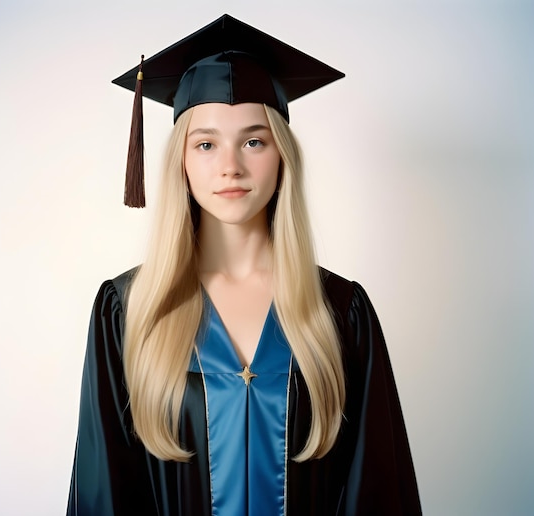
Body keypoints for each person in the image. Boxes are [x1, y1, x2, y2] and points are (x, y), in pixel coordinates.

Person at [67, 14, 421, 516]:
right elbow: (105, 493)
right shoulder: (128, 312)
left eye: (253, 141)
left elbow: (378, 492)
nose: (230, 165)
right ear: (181, 162)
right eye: (206, 144)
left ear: (282, 156)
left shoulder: (342, 313)